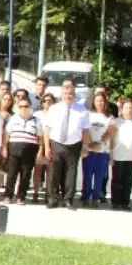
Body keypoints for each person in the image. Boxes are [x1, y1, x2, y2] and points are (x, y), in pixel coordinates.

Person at [42, 79, 90, 210]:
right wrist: (47, 147)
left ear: (74, 95)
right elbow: (47, 129)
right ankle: (52, 199)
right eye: (65, 93)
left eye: (70, 94)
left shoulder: (82, 111)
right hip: (56, 143)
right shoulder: (54, 109)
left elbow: (85, 130)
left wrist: (85, 147)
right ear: (61, 95)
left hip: (74, 145)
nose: (68, 96)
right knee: (53, 173)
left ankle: (68, 200)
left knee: (71, 174)